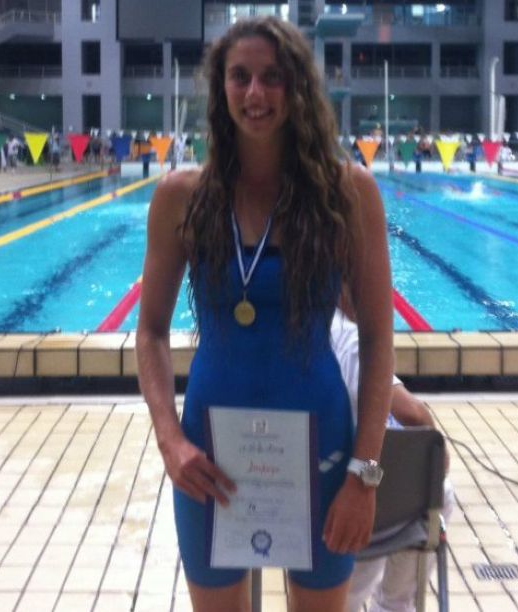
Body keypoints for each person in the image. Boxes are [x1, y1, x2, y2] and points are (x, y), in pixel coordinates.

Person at [136, 16, 393, 612]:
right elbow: (149, 332)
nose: (255, 93)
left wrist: (364, 474)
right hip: (209, 454)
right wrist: (170, 440)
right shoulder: (181, 197)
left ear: (297, 87)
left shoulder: (347, 194)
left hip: (323, 449)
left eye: (273, 77)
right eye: (240, 77)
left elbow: (379, 339)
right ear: (220, 89)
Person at [329, 312, 455, 612]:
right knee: (439, 491)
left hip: (311, 510)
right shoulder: (348, 338)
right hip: (363, 509)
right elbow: (413, 415)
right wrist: (439, 456)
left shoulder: (286, 330)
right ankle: (393, 604)